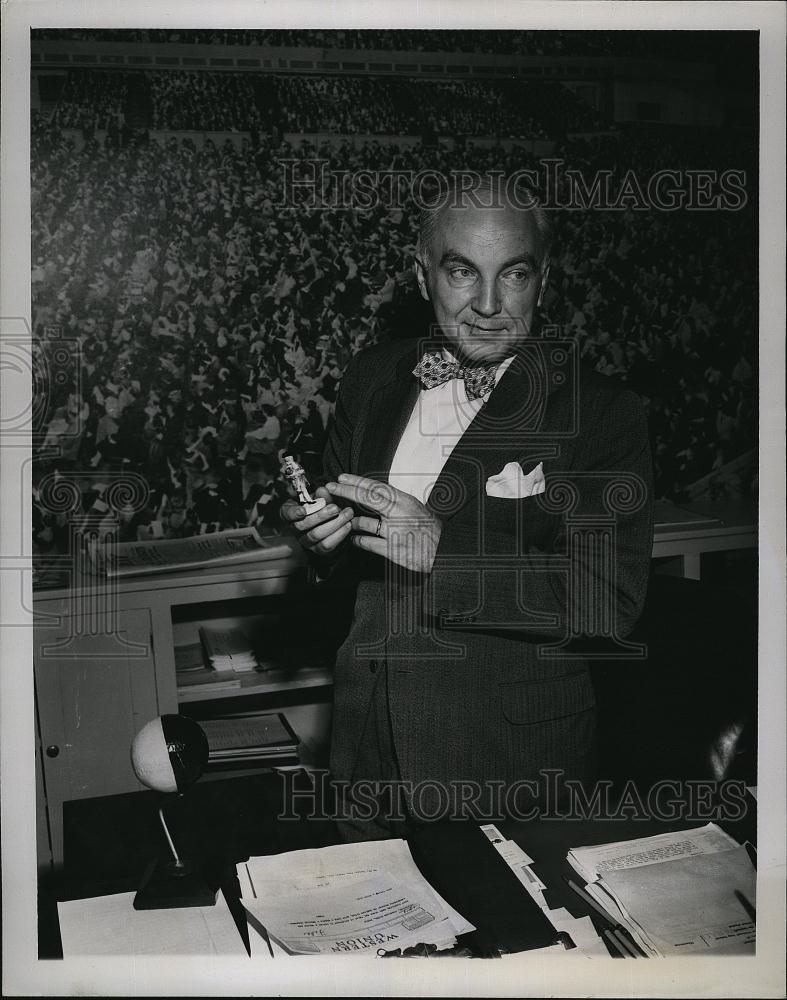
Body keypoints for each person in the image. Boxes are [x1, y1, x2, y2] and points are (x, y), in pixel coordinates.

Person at [286, 174, 655, 839]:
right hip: (365, 750)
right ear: (423, 275)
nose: (487, 304)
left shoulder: (601, 412)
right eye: (461, 272)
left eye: (512, 275)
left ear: (543, 279)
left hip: (509, 762)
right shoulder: (371, 379)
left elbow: (606, 597)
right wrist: (323, 542)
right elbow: (346, 559)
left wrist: (442, 552)